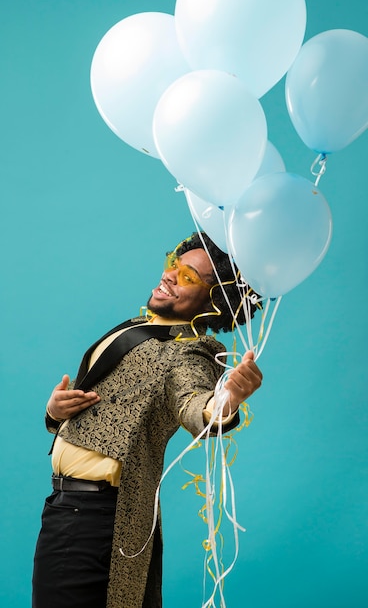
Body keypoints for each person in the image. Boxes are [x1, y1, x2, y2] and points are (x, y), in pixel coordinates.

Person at [32, 232, 263, 608]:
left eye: (189, 277)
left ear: (213, 303)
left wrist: (227, 400)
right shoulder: (141, 327)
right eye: (175, 262)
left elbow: (195, 406)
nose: (171, 275)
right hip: (65, 506)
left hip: (96, 517)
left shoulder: (190, 352)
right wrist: (55, 412)